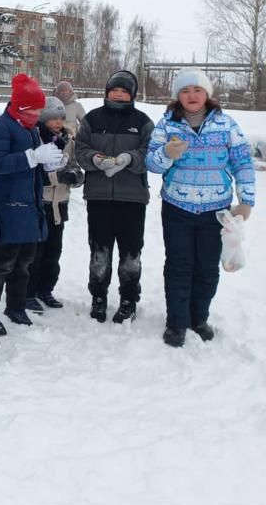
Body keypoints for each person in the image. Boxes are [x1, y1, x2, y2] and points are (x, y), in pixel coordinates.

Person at [146, 69, 255, 347]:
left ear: (207, 94)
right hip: (177, 208)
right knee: (180, 265)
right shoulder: (167, 125)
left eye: (197, 90)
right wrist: (167, 154)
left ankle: (199, 318)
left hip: (216, 211)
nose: (191, 96)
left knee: (207, 267)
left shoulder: (226, 125)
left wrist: (245, 203)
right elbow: (152, 164)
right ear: (177, 96)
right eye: (184, 91)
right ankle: (177, 323)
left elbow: (243, 164)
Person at [0, 73, 63, 336]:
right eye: (34, 109)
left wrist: (48, 163)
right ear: (20, 107)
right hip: (7, 206)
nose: (37, 115)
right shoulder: (1, 127)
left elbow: (34, 164)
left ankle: (16, 307)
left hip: (30, 207)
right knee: (1, 264)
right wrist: (31, 157)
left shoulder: (29, 128)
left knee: (24, 263)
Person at [75, 70, 154, 324]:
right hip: (99, 196)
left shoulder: (142, 121)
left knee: (131, 253)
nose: (118, 94)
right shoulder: (92, 119)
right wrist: (96, 160)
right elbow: (80, 149)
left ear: (131, 95)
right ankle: (98, 297)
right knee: (100, 251)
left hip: (132, 198)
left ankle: (129, 298)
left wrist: (130, 159)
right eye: (114, 90)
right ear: (107, 91)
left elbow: (150, 153)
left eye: (124, 91)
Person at [25, 96, 83, 313]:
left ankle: (45, 289)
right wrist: (56, 176)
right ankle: (29, 292)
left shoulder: (68, 140)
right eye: (53, 118)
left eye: (61, 118)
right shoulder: (36, 138)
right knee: (36, 252)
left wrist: (75, 177)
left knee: (53, 250)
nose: (58, 122)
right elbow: (36, 170)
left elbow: (74, 165)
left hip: (60, 202)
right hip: (41, 201)